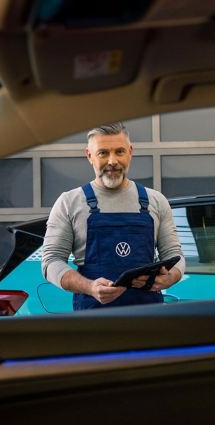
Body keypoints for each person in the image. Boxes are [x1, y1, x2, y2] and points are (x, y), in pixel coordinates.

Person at [42, 123, 185, 310]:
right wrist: (89, 287)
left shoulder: (155, 201)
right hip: (93, 323)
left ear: (130, 152)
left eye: (119, 152)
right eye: (103, 153)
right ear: (89, 156)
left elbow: (176, 255)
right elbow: (51, 261)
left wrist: (170, 277)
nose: (112, 161)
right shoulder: (69, 202)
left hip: (148, 320)